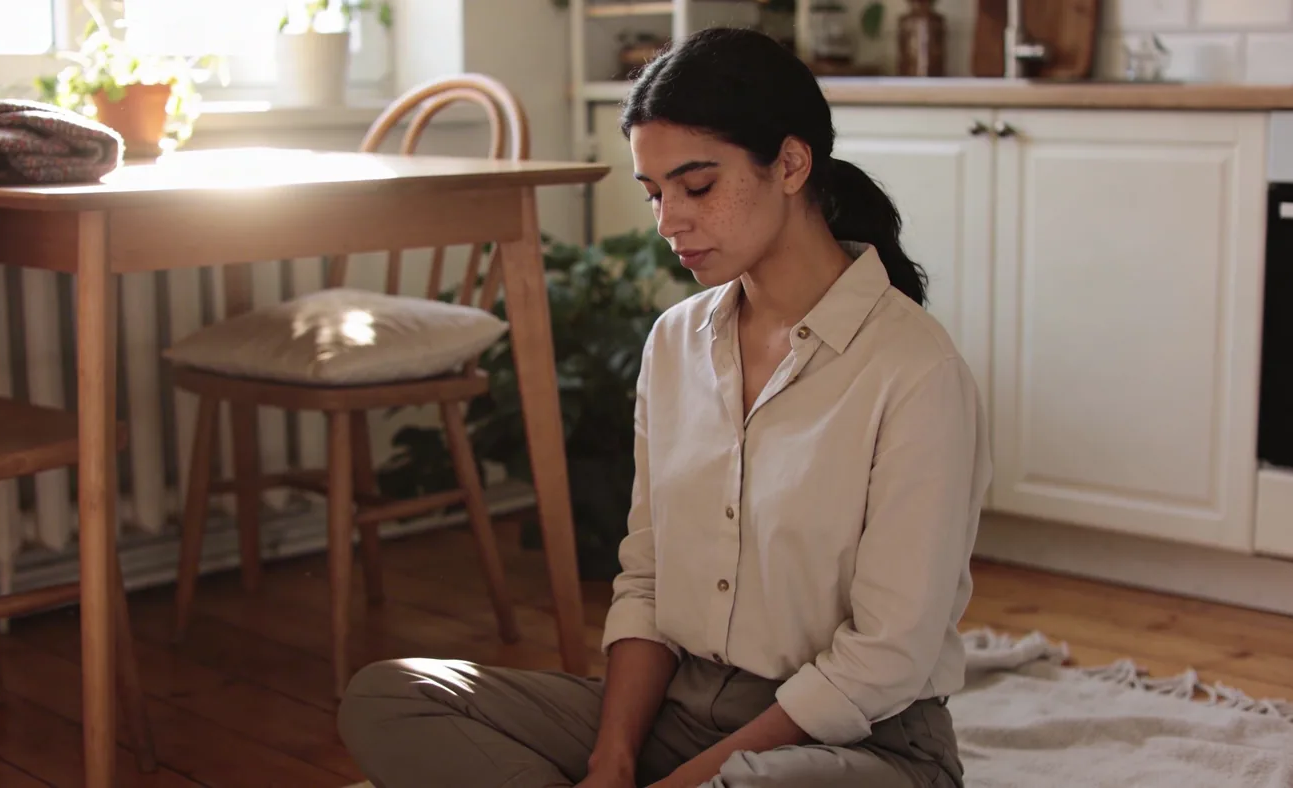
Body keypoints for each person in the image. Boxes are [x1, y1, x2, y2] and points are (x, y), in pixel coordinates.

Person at [337, 25, 991, 788]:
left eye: (697, 186)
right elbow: (646, 579)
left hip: (859, 745)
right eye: (654, 193)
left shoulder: (914, 370)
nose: (667, 220)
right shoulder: (676, 342)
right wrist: (612, 762)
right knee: (393, 698)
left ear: (789, 162)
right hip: (678, 714)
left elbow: (885, 656)